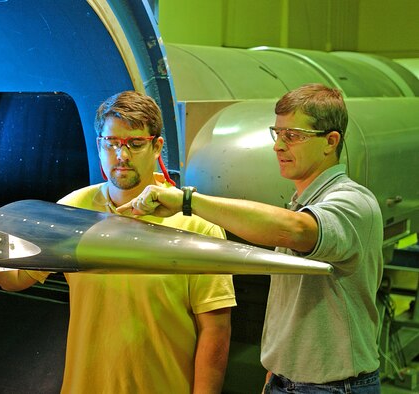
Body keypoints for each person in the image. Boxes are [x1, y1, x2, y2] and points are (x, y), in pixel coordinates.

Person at [0, 91, 236, 393]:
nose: (122, 156)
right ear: (99, 146)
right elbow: (14, 278)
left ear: (156, 146)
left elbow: (215, 332)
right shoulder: (72, 211)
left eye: (135, 144)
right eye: (112, 143)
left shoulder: (196, 225)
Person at [118, 83, 383, 393]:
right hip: (290, 382)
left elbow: (297, 230)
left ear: (331, 141)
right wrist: (279, 368)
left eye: (293, 136)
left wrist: (187, 201)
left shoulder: (352, 202)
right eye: (277, 133)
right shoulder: (301, 203)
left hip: (333, 388)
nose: (278, 146)